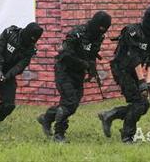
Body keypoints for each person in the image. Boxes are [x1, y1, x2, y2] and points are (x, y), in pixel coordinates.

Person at [37, 11, 111, 143]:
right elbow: (65, 55)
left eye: (104, 29)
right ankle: (59, 134)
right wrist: (84, 64)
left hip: (78, 73)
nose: (101, 31)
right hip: (64, 70)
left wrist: (92, 69)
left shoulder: (98, 37)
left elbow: (92, 54)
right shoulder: (77, 33)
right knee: (69, 102)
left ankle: (47, 118)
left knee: (73, 104)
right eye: (100, 28)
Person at [98, 5, 150, 143]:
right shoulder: (132, 31)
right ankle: (127, 137)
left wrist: (148, 82)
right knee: (139, 102)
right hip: (122, 69)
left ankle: (109, 115)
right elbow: (133, 58)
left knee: (144, 105)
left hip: (136, 71)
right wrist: (141, 82)